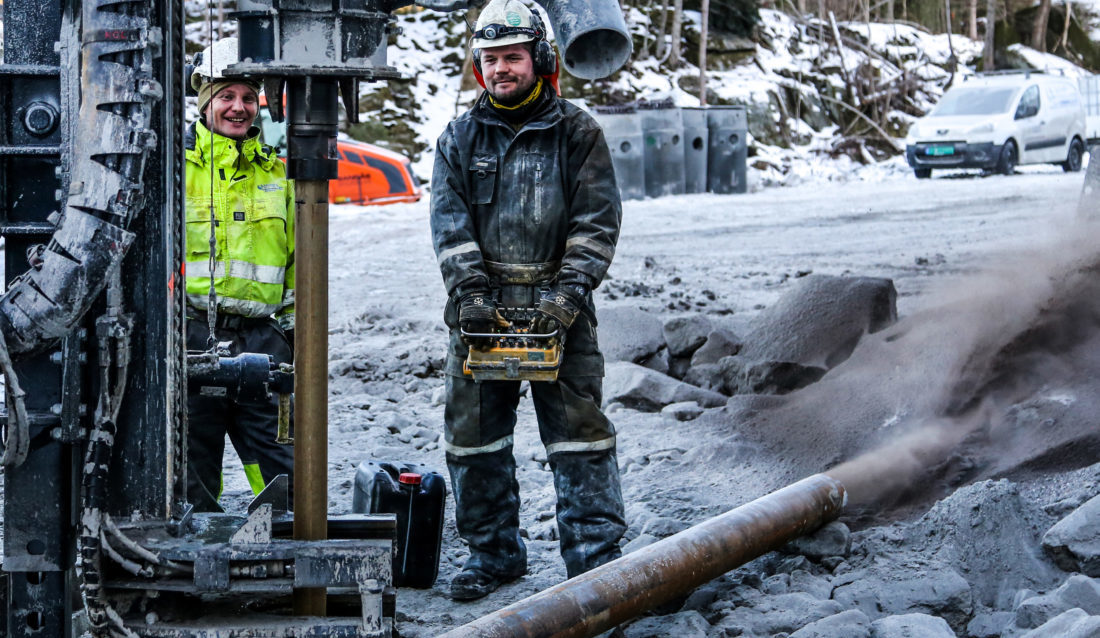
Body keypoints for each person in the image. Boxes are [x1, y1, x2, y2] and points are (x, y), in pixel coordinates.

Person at [430, 0, 626, 601]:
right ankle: (493, 557)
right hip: (479, 314)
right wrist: (470, 295)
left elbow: (597, 221)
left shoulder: (577, 131)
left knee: (579, 438)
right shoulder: (459, 137)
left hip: (559, 313)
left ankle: (593, 559)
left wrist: (568, 295)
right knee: (474, 439)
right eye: (489, 60)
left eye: (512, 57)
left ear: (539, 60)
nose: (500, 70)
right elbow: (448, 222)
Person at [184, 38, 295, 512]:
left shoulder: (277, 173)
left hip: (263, 344)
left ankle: (285, 559)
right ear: (206, 100)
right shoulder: (175, 169)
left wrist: (291, 340)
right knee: (188, 473)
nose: (239, 107)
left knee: (282, 474)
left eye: (248, 97)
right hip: (189, 338)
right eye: (226, 96)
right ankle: (189, 570)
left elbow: (294, 268)